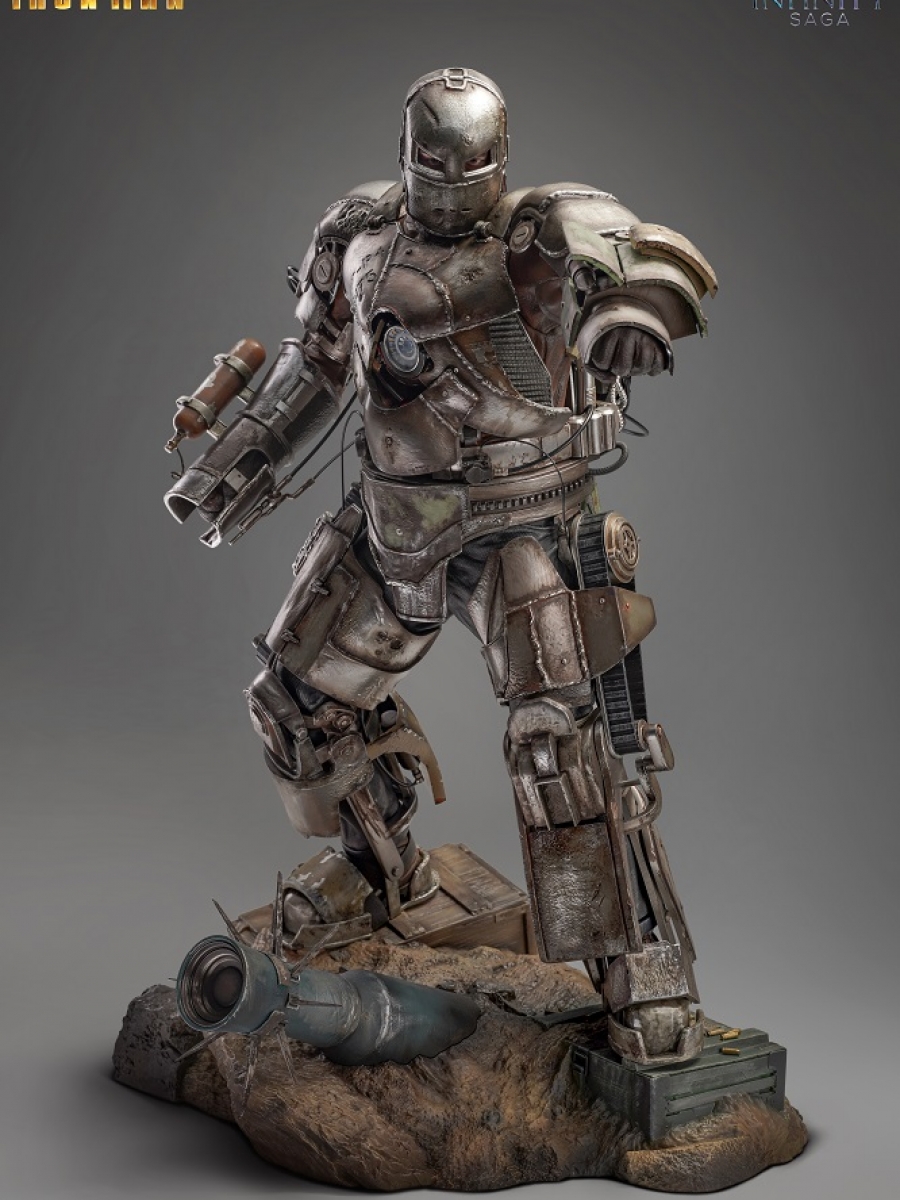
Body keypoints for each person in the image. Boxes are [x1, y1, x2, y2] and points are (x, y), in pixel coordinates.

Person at [165, 67, 717, 1066]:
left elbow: (646, 261)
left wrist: (627, 320)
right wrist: (239, 462)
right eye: (433, 162)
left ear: (498, 160)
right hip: (399, 522)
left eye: (467, 165)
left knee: (560, 748)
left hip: (522, 530)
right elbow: (318, 362)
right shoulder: (359, 234)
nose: (449, 183)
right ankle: (383, 873)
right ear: (406, 154)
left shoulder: (538, 235)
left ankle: (639, 967)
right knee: (298, 705)